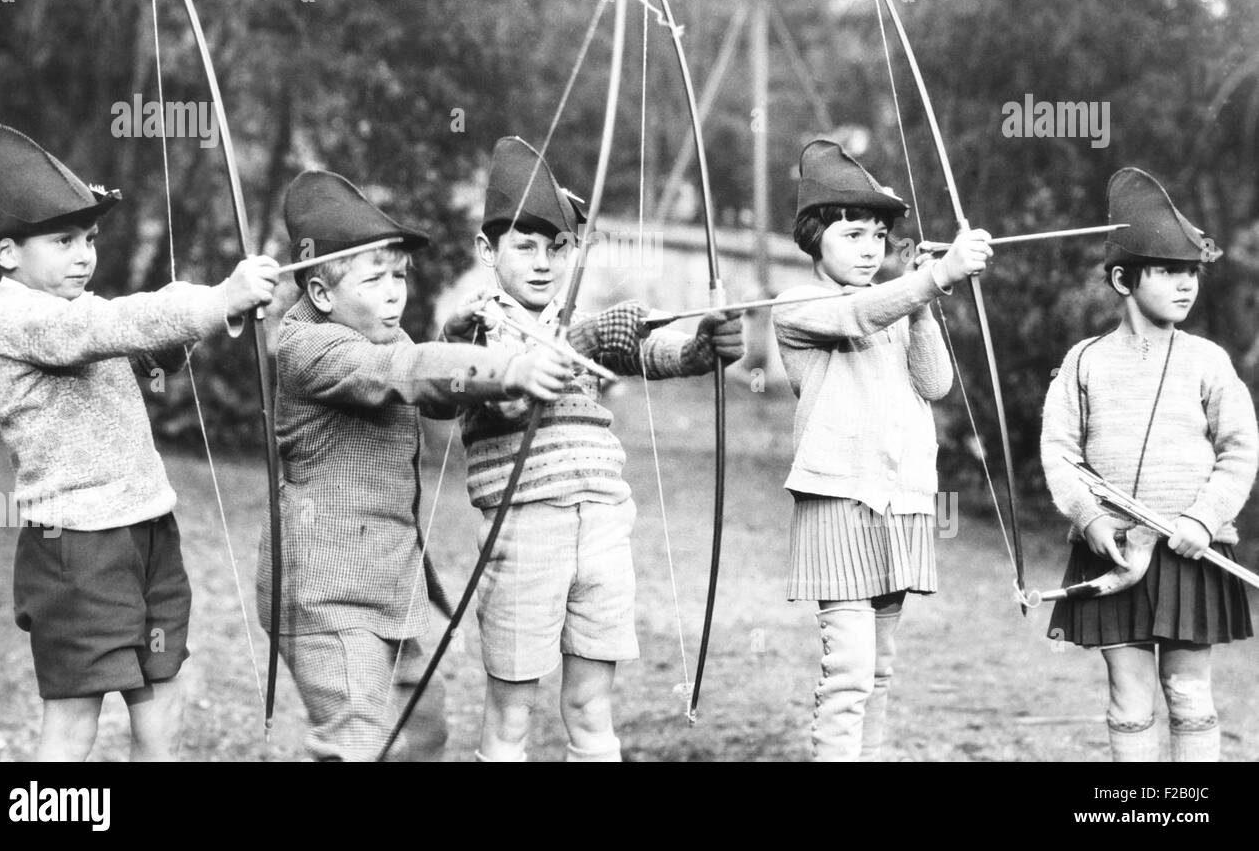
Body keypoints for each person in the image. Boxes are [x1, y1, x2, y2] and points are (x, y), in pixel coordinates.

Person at [0, 123, 280, 760]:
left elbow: (149, 349)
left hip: (146, 527)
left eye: (88, 239)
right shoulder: (18, 318)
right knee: (74, 718)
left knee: (160, 697)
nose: (84, 255)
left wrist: (209, 316)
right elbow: (112, 325)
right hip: (77, 548)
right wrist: (217, 296)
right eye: (63, 241)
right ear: (8, 253)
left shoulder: (77, 311)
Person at [444, 136, 743, 762]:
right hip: (526, 529)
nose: (543, 262)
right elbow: (488, 391)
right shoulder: (476, 330)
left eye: (558, 247)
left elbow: (636, 351)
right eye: (523, 246)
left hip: (604, 524)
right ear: (486, 250)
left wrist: (698, 349)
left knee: (590, 706)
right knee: (511, 715)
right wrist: (529, 352)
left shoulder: (576, 324)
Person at [255, 170, 571, 761]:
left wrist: (483, 366)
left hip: (387, 589)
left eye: (399, 276)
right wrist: (504, 369)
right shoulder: (307, 348)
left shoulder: (384, 337)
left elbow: (434, 389)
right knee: (358, 744)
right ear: (322, 296)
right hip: (322, 594)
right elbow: (406, 373)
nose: (395, 293)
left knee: (424, 734)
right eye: (375, 280)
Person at [771, 138, 991, 761]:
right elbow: (856, 317)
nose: (869, 249)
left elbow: (935, 383)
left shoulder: (895, 301)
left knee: (881, 669)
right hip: (838, 498)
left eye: (877, 236)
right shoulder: (798, 305)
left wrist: (925, 302)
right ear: (815, 237)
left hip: (900, 500)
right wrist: (930, 279)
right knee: (849, 671)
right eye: (852, 235)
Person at [1042, 167, 1256, 762]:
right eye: (1168, 271)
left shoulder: (1208, 361)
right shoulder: (1083, 361)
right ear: (1122, 278)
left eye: (1192, 273)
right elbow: (1059, 453)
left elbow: (1241, 449)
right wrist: (1089, 519)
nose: (1186, 286)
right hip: (1112, 549)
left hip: (1192, 549)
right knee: (1128, 701)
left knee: (1189, 696)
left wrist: (1203, 520)